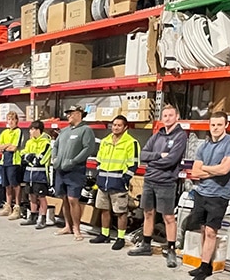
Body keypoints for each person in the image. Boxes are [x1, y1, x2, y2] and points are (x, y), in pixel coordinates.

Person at [187, 111, 230, 280]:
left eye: (219, 124)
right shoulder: (204, 146)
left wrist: (206, 169)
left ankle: (203, 270)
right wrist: (213, 169)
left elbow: (225, 170)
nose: (215, 128)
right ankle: (206, 264)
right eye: (212, 125)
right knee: (203, 230)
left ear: (225, 125)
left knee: (211, 232)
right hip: (202, 193)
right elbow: (195, 172)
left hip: (219, 194)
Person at [130, 104, 187, 267]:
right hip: (150, 180)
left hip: (166, 182)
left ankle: (171, 250)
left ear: (177, 117)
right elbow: (143, 154)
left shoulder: (180, 136)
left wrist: (153, 163)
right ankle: (146, 245)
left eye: (170, 115)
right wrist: (158, 156)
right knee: (148, 213)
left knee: (168, 217)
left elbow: (172, 160)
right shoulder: (158, 135)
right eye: (165, 116)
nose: (167, 118)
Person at [89, 115, 140, 251]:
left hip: (118, 183)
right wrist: (99, 175)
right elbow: (98, 160)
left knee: (121, 212)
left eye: (119, 125)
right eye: (114, 124)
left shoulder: (131, 142)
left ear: (125, 127)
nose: (115, 127)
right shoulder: (105, 141)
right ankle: (104, 234)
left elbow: (133, 164)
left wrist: (124, 180)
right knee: (104, 209)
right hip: (103, 183)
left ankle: (120, 238)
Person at [52, 105, 97, 240]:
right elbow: (55, 145)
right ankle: (67, 226)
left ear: (78, 114)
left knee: (73, 199)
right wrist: (54, 158)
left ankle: (76, 228)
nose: (68, 116)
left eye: (70, 113)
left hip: (75, 171)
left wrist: (74, 161)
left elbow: (88, 148)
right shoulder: (64, 131)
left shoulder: (86, 130)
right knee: (64, 198)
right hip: (60, 170)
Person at [20, 120, 53, 228]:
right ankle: (32, 216)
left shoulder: (46, 143)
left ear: (38, 130)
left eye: (32, 129)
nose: (30, 131)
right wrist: (31, 156)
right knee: (31, 196)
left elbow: (41, 160)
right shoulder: (30, 142)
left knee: (41, 197)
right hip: (29, 174)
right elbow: (23, 155)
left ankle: (42, 218)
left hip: (41, 175)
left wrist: (30, 156)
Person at [0, 111, 25, 219]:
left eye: (13, 119)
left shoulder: (18, 131)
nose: (11, 121)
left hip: (14, 162)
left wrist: (5, 146)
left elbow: (14, 148)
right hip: (4, 161)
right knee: (7, 185)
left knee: (15, 185)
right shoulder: (4, 133)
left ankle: (17, 207)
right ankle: (8, 207)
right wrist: (6, 145)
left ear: (17, 120)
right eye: (9, 119)